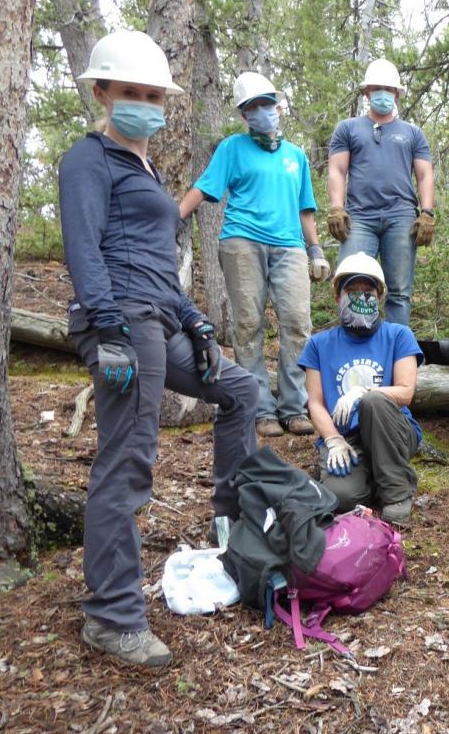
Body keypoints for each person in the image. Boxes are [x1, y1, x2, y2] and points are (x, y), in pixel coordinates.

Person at [60, 29, 259, 667]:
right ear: (101, 93)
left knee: (240, 388)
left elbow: (156, 267)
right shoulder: (89, 158)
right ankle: (112, 616)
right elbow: (85, 249)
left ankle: (228, 519)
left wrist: (196, 321)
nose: (145, 103)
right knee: (128, 460)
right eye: (131, 93)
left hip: (159, 318)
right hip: (123, 325)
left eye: (154, 94)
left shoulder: (143, 165)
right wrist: (109, 327)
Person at [180, 71, 329, 438]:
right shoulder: (232, 148)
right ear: (244, 114)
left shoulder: (296, 156)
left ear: (278, 106)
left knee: (297, 324)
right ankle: (260, 408)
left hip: (290, 246)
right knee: (248, 326)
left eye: (268, 103)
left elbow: (305, 208)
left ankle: (294, 407)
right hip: (242, 242)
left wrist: (316, 249)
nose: (263, 111)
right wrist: (173, 216)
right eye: (254, 106)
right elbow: (204, 187)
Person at [298, 253, 424, 526]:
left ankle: (398, 492)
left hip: (391, 430)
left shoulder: (398, 335)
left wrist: (364, 392)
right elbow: (316, 403)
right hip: (346, 437)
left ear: (379, 296)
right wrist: (333, 439)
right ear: (337, 297)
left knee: (373, 402)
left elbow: (405, 392)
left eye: (367, 292)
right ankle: (373, 478)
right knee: (339, 498)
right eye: (351, 291)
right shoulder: (319, 344)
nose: (360, 298)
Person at [326, 58, 435, 327]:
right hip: (359, 218)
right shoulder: (348, 128)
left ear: (396, 93)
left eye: (388, 88)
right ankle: (353, 346)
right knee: (352, 281)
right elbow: (337, 170)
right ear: (367, 92)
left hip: (400, 218)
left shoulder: (412, 133)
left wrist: (428, 212)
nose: (383, 93)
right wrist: (336, 208)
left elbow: (425, 174)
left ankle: (399, 357)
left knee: (399, 291)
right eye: (377, 88)